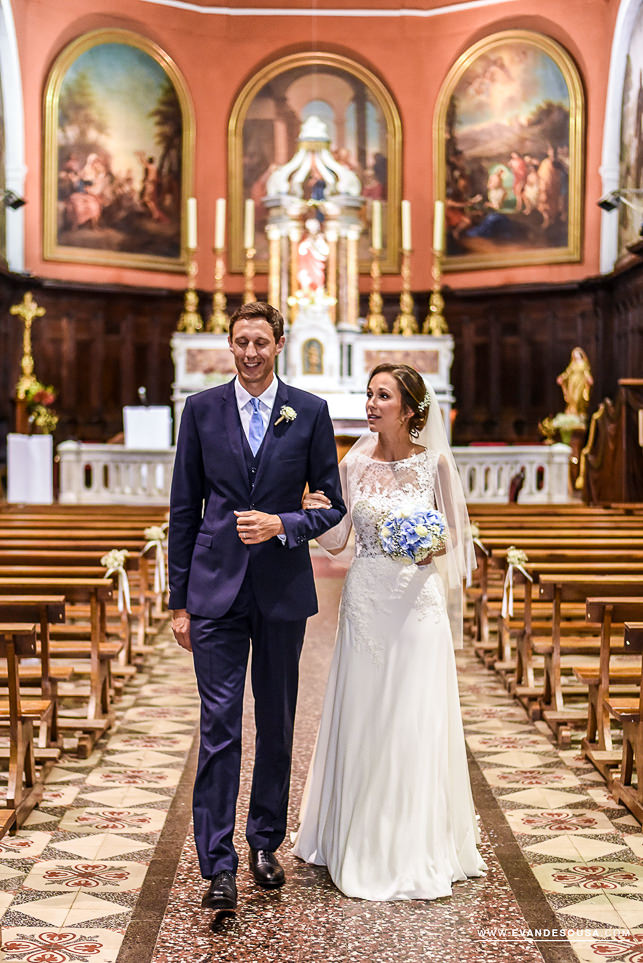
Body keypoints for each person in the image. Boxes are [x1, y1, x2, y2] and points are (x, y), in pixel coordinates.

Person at [168, 301, 346, 915]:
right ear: (229, 342)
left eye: (261, 342)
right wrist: (179, 601)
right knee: (219, 730)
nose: (250, 352)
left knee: (275, 722)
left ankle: (265, 841)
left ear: (280, 344)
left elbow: (333, 505)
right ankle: (216, 863)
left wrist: (284, 522)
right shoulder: (200, 410)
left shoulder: (311, 412)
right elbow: (184, 509)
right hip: (214, 593)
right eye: (241, 341)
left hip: (279, 590)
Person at [292, 363, 486, 900]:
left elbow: (453, 536)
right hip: (367, 600)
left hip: (417, 605)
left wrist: (426, 544)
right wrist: (313, 512)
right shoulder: (353, 462)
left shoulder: (436, 463)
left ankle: (415, 840)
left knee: (412, 712)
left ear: (410, 407)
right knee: (365, 711)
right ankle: (355, 834)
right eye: (369, 394)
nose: (371, 404)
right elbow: (337, 541)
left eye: (383, 396)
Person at [556, 346, 593, 418]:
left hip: (580, 383)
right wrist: (562, 377)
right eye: (575, 354)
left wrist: (589, 378)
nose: (576, 356)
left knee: (577, 398)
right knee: (571, 398)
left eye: (577, 354)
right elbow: (567, 373)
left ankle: (579, 413)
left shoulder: (583, 364)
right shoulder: (573, 364)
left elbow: (586, 373)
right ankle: (572, 413)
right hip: (572, 383)